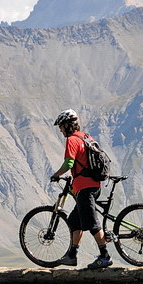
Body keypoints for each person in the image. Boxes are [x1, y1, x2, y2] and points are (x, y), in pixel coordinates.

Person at [49, 109, 112, 270]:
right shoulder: (86, 137)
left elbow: (69, 163)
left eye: (61, 127)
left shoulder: (72, 140)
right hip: (93, 185)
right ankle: (72, 255)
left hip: (85, 188)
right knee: (73, 221)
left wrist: (56, 175)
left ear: (67, 125)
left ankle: (105, 256)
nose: (61, 130)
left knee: (92, 223)